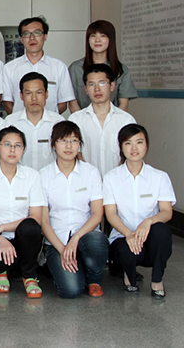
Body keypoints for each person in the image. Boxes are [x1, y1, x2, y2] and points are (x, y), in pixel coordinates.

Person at [0, 126, 45, 298]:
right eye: (7, 145)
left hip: (22, 238)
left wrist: (2, 227)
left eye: (17, 145)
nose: (12, 150)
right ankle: (0, 272)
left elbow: (36, 218)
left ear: (23, 150)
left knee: (31, 226)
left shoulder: (32, 176)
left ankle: (29, 276)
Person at [104, 124, 176, 298]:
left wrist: (148, 222)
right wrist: (128, 234)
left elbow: (166, 212)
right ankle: (129, 275)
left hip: (149, 240)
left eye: (139, 142)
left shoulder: (159, 177)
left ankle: (157, 279)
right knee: (125, 250)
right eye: (128, 143)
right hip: (123, 238)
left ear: (147, 145)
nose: (134, 148)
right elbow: (110, 214)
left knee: (162, 231)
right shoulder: (111, 177)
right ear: (121, 148)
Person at [39, 121, 109, 298]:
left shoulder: (91, 173)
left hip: (86, 236)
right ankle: (63, 265)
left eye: (74, 140)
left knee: (97, 243)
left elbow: (97, 214)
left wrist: (76, 237)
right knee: (71, 290)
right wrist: (63, 249)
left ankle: (94, 279)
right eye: (63, 140)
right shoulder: (43, 175)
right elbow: (44, 221)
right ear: (54, 144)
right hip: (58, 240)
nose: (68, 146)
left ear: (80, 144)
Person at [68, 64, 136, 176]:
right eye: (91, 84)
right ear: (86, 89)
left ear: (112, 86)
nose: (97, 89)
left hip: (118, 180)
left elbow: (131, 154)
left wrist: (114, 178)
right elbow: (75, 153)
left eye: (102, 83)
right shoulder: (75, 120)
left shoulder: (126, 120)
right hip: (86, 180)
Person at [2, 17, 75, 115]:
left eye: (37, 33)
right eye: (27, 34)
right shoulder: (9, 68)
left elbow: (63, 103)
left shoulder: (59, 67)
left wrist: (46, 119)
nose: (32, 38)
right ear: (21, 39)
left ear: (45, 36)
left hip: (51, 123)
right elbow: (7, 103)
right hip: (19, 123)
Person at [69, 20, 138, 112]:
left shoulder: (121, 69)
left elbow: (124, 105)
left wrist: (112, 121)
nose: (97, 40)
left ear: (110, 39)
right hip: (82, 119)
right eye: (93, 35)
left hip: (113, 119)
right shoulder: (75, 68)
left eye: (103, 35)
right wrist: (82, 120)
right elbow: (72, 103)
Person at [4, 72, 65, 171]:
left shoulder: (58, 122)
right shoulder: (10, 122)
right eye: (28, 93)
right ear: (21, 96)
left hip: (50, 178)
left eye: (39, 92)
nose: (34, 98)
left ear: (46, 94)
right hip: (20, 178)